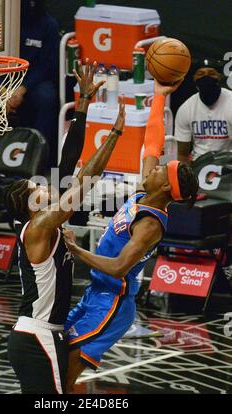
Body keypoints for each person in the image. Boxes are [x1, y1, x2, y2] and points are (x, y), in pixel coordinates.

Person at [63, 78, 199, 393]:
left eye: (160, 171)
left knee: (66, 378)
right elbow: (152, 142)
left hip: (112, 303)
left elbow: (119, 267)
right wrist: (159, 96)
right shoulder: (143, 191)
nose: (153, 168)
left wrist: (77, 249)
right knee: (55, 367)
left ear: (166, 187)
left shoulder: (151, 223)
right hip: (96, 294)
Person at [5, 60, 126, 394]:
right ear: (31, 207)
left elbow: (69, 162)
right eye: (37, 189)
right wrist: (114, 135)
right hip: (37, 336)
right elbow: (85, 181)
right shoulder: (39, 227)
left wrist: (83, 105)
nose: (45, 186)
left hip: (44, 334)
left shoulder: (41, 222)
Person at [6, 0, 60, 167]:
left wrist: (22, 89)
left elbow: (47, 66)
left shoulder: (49, 25)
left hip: (33, 81)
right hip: (3, 77)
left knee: (47, 98)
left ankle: (37, 158)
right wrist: (3, 88)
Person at [175, 58, 232, 164]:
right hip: (197, 163)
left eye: (211, 73)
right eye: (201, 74)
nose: (206, 77)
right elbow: (182, 154)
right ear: (194, 78)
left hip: (228, 163)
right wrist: (187, 178)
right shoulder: (186, 108)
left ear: (219, 77)